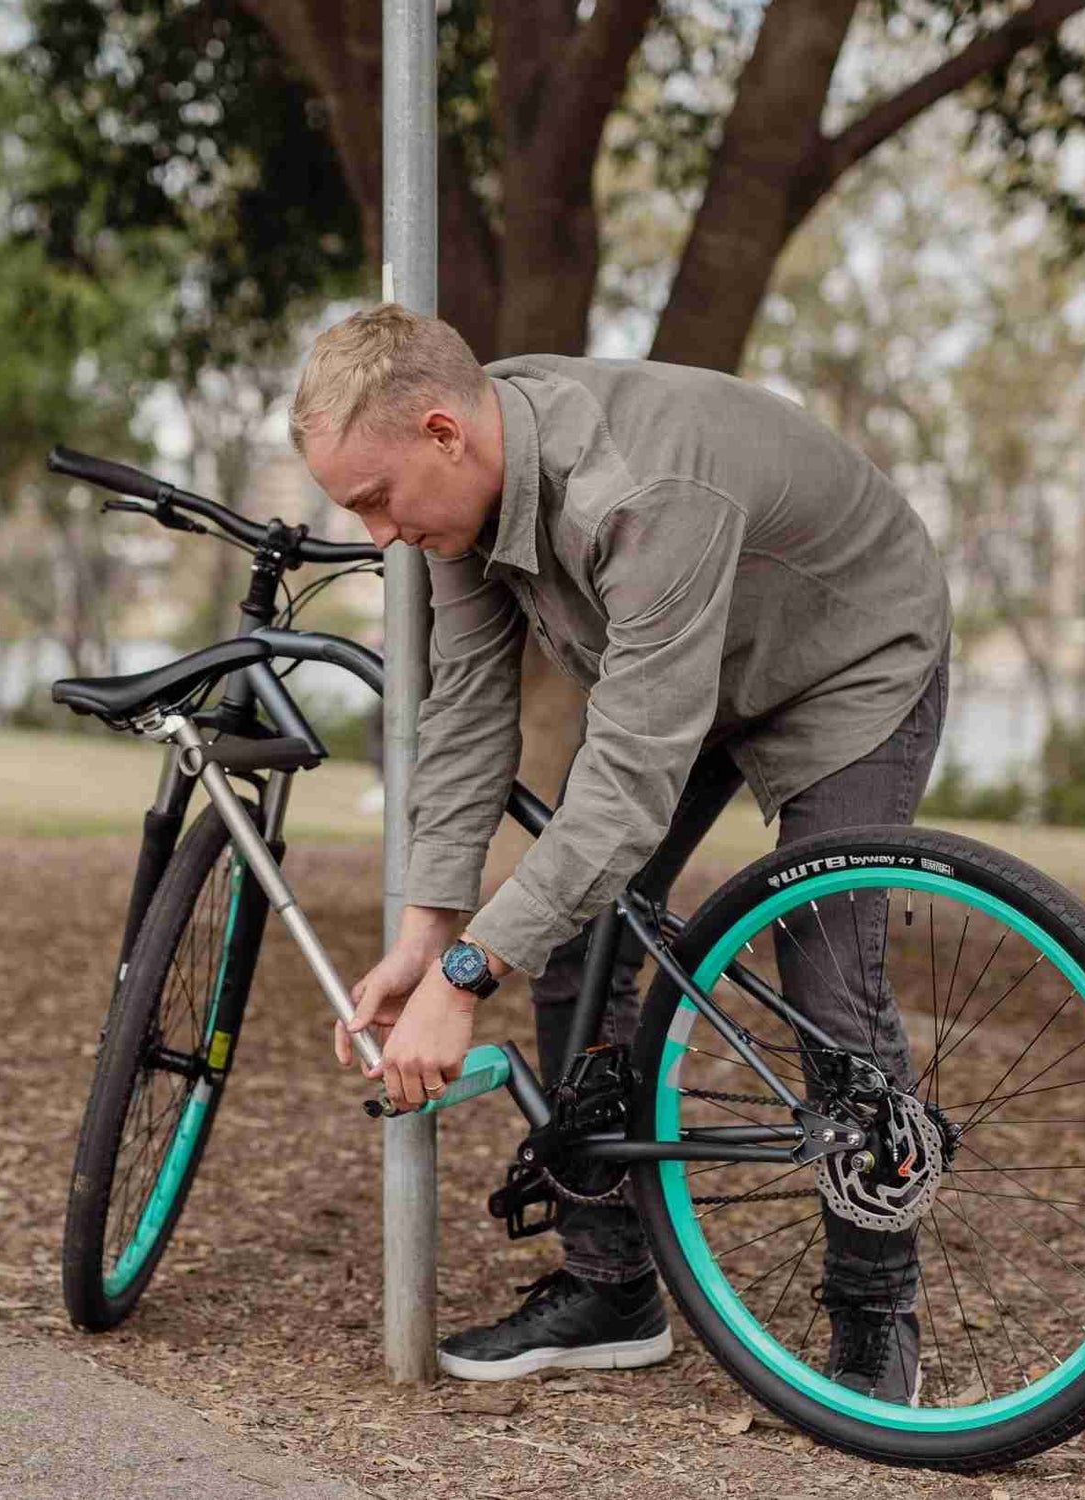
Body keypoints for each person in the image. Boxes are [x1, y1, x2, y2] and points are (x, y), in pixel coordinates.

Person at [290, 304, 951, 1403]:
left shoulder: (639, 492)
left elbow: (630, 788)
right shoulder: (459, 498)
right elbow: (467, 714)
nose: (375, 536)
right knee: (577, 942)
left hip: (848, 657)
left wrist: (466, 978)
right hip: (686, 668)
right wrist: (426, 933)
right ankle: (612, 1288)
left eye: (374, 499)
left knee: (828, 975)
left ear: (444, 433)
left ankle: (875, 1314)